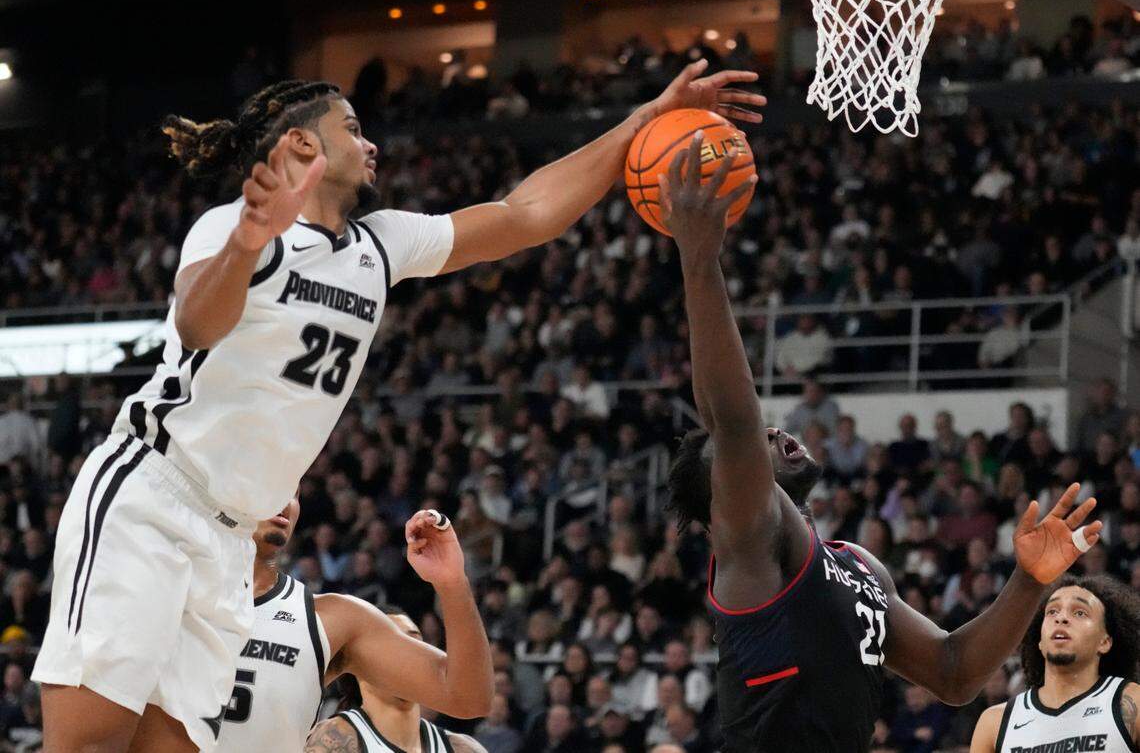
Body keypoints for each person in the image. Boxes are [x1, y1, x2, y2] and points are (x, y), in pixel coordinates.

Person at [33, 63, 764, 751]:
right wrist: (249, 241)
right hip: (155, 495)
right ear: (301, 143)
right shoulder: (238, 226)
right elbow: (195, 325)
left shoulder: (379, 246)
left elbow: (524, 213)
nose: (371, 141)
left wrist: (642, 120)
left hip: (227, 541)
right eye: (352, 128)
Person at [657, 132, 1104, 753]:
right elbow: (729, 422)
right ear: (726, 491)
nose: (772, 431)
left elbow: (953, 672)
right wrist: (699, 261)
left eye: (769, 428)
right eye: (752, 444)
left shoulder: (857, 564)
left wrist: (1029, 581)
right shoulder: (747, 544)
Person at [216, 501, 492, 751]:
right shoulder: (178, 595)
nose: (285, 498)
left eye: (295, 489)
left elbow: (468, 697)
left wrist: (452, 583)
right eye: (273, 478)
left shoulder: (333, 618)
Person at [970, 575, 1140, 752]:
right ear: (1040, 642)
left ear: (1105, 642)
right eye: (1052, 611)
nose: (1061, 618)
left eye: (1079, 612)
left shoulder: (1131, 703)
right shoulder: (995, 722)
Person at [305, 606, 489, 753]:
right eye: (395, 647)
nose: (409, 657)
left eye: (415, 642)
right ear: (357, 662)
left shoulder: (464, 748)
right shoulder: (333, 740)